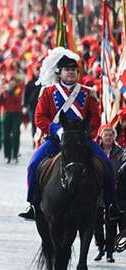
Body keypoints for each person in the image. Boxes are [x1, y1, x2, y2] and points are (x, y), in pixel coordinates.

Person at [18, 47, 124, 221]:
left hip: (82, 140)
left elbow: (95, 118)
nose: (71, 73)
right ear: (59, 72)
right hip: (56, 139)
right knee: (33, 164)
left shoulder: (87, 93)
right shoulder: (48, 92)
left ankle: (111, 204)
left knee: (106, 164)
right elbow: (39, 117)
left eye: (74, 70)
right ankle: (34, 204)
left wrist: (85, 132)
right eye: (67, 70)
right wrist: (56, 130)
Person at [94, 125, 123, 263]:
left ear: (114, 138)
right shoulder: (95, 151)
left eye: (111, 136)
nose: (108, 138)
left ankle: (110, 252)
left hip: (113, 192)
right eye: (106, 135)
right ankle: (100, 248)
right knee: (97, 223)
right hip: (97, 192)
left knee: (111, 223)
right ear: (101, 137)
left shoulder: (120, 152)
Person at [0, 76, 23, 164]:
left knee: (16, 134)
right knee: (6, 136)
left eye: (14, 82)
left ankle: (15, 155)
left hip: (16, 114)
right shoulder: (4, 90)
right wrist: (2, 92)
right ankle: (7, 155)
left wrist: (8, 91)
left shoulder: (18, 89)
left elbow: (17, 98)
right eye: (11, 82)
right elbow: (0, 102)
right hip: (6, 114)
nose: (12, 83)